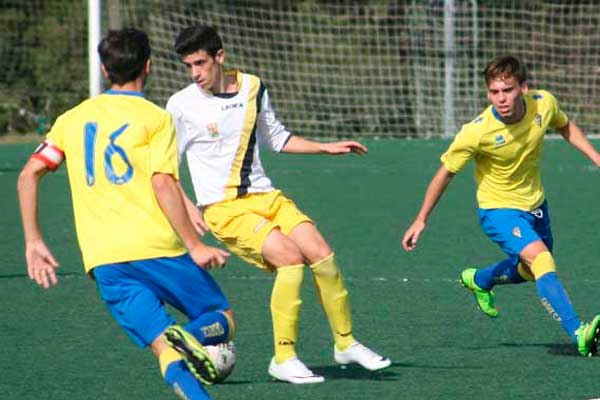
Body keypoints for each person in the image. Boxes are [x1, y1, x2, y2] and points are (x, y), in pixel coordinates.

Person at [17, 28, 235, 400]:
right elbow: (163, 183)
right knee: (222, 318)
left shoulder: (72, 118)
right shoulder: (155, 118)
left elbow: (29, 174)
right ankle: (189, 335)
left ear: (104, 70)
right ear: (148, 66)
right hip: (157, 248)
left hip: (104, 261)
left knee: (164, 352)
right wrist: (194, 245)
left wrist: (34, 240)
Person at [166, 25, 391, 384]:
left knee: (321, 253)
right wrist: (189, 207)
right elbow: (166, 170)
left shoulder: (254, 87)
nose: (195, 73)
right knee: (290, 258)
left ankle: (345, 343)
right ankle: (284, 358)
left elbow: (277, 137)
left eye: (200, 63)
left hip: (266, 197)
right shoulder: (181, 105)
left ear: (219, 57)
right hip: (224, 209)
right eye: (188, 65)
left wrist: (325, 147)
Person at [401, 54, 600, 357]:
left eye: (507, 90)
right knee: (542, 261)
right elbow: (446, 173)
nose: (501, 99)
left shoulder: (543, 103)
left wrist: (595, 157)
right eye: (494, 92)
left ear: (523, 87)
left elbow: (565, 125)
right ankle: (578, 332)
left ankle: (480, 279)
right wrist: (421, 219)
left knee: (530, 269)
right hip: (498, 210)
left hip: (536, 205)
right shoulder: (476, 132)